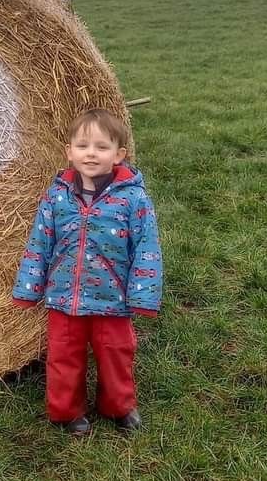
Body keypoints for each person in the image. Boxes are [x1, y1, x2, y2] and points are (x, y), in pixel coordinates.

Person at [13, 108, 163, 436]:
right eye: (82, 146)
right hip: (65, 298)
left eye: (101, 147)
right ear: (69, 152)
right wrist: (28, 288)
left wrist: (143, 294)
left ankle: (118, 406)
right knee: (63, 356)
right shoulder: (56, 197)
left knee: (116, 355)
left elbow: (147, 248)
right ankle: (66, 412)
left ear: (119, 155)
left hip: (114, 299)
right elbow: (39, 242)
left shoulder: (133, 199)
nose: (91, 154)